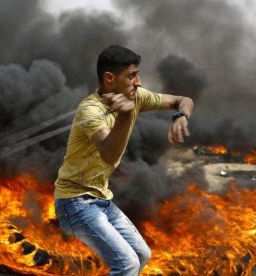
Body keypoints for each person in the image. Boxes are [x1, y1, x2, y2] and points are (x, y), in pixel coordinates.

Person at [54, 45, 194, 275]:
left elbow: (183, 100)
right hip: (74, 203)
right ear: (109, 78)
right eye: (131, 75)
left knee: (142, 255)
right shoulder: (90, 111)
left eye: (137, 73)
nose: (138, 81)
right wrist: (127, 115)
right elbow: (109, 155)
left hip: (101, 200)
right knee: (127, 264)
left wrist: (181, 116)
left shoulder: (136, 97)